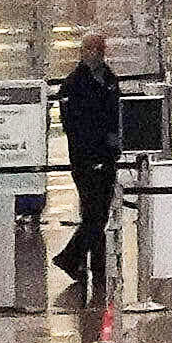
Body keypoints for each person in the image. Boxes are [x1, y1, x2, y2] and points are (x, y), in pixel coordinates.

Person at [56, 28, 134, 298]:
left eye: (100, 50)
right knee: (94, 214)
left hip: (107, 156)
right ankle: (70, 257)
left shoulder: (109, 78)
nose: (98, 55)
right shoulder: (73, 85)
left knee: (98, 214)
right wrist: (92, 151)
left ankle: (95, 266)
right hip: (86, 158)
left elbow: (115, 113)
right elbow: (74, 126)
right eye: (93, 50)